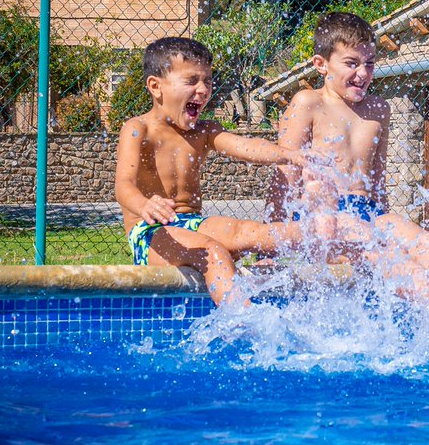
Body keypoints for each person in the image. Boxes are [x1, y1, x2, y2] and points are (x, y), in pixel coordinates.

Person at [269, 12, 429, 320]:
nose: (363, 73)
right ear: (321, 64)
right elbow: (285, 174)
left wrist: (389, 220)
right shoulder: (308, 102)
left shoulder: (379, 109)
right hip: (323, 214)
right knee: (379, 254)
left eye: (370, 63)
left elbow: (377, 178)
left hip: (366, 209)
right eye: (351, 63)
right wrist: (272, 242)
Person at [115, 36, 306, 306]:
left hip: (194, 223)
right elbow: (123, 185)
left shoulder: (205, 131)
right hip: (150, 232)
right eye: (192, 81)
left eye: (208, 80)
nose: (203, 90)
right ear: (156, 87)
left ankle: (337, 235)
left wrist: (289, 155)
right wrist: (144, 204)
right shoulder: (138, 129)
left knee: (253, 233)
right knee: (213, 251)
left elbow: (246, 146)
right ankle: (245, 321)